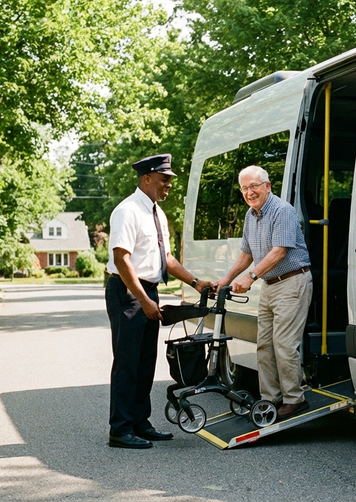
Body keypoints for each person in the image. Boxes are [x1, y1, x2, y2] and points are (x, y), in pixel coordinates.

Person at [105, 153, 213, 449]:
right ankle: (120, 429)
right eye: (164, 179)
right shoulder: (128, 211)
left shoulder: (157, 213)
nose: (169, 185)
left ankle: (140, 422)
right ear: (147, 178)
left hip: (147, 291)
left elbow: (166, 258)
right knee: (127, 362)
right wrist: (143, 300)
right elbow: (121, 259)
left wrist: (195, 282)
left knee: (145, 362)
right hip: (128, 292)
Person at [216, 165, 313, 420]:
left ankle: (294, 399)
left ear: (267, 186)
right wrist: (226, 279)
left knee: (284, 344)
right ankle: (270, 399)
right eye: (245, 188)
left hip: (292, 282)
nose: (249, 192)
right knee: (264, 345)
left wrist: (250, 277)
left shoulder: (282, 211)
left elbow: (279, 251)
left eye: (254, 186)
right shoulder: (251, 215)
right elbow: (246, 254)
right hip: (270, 285)